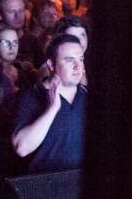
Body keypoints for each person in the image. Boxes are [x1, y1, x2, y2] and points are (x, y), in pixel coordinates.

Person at [12, 33, 87, 174]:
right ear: (51, 65)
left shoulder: (85, 96)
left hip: (78, 186)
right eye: (70, 60)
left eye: (81, 59)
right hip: (44, 187)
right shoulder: (31, 96)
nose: (78, 67)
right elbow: (21, 148)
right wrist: (52, 109)